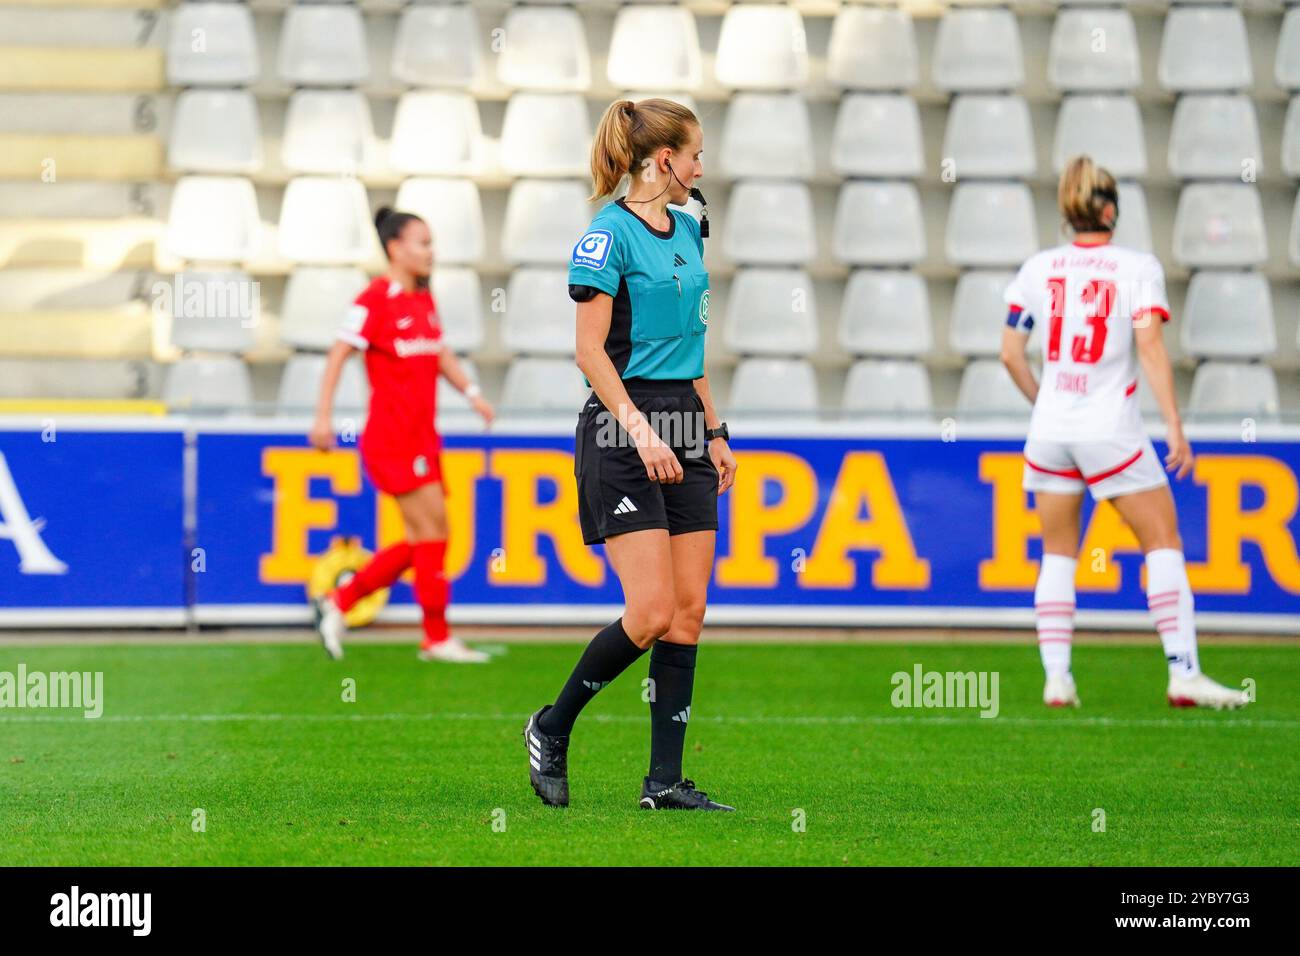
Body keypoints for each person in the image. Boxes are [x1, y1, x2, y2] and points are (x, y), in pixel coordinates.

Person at [524, 98, 739, 810]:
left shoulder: (690, 226)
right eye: (696, 154)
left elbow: (691, 344)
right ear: (662, 159)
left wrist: (714, 429)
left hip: (684, 418)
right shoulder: (605, 236)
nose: (703, 167)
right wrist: (641, 430)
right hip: (623, 430)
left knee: (688, 612)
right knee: (648, 612)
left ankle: (665, 781)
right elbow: (590, 351)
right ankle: (552, 728)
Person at [1001, 155, 1249, 710]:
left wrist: (1049, 403)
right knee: (1162, 540)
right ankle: (1183, 672)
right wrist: (1175, 426)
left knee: (1059, 554)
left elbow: (1010, 354)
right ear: (1110, 209)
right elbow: (1150, 346)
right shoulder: (1137, 268)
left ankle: (1057, 679)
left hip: (1050, 429)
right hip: (1108, 427)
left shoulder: (1038, 269)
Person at [309, 207, 494, 664]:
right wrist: (322, 418)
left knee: (427, 540)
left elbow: (440, 351)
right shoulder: (374, 299)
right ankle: (434, 636)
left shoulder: (422, 299)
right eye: (423, 242)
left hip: (422, 439)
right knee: (434, 534)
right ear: (395, 248)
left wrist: (471, 392)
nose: (431, 252)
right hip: (392, 441)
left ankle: (342, 601)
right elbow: (337, 356)